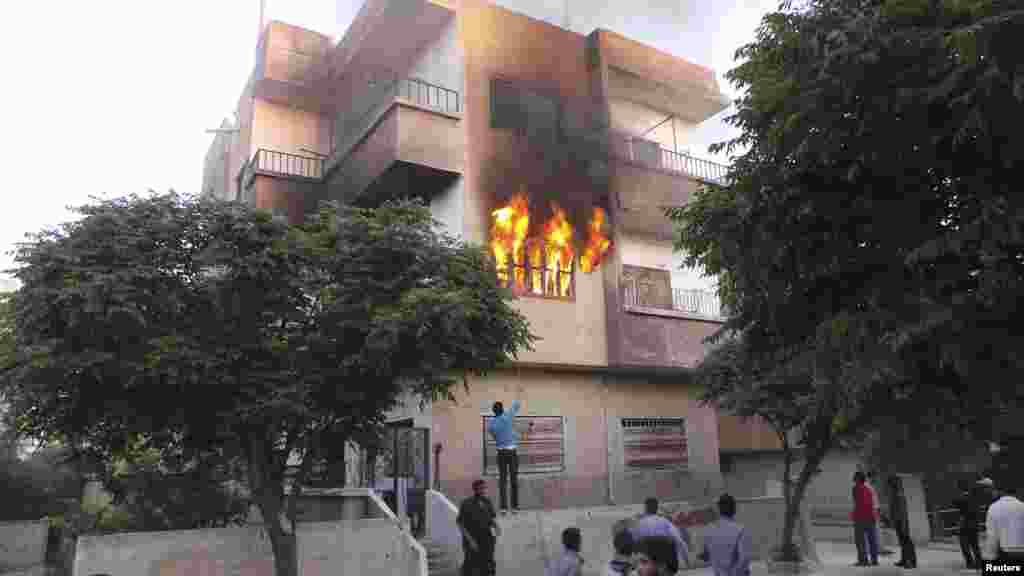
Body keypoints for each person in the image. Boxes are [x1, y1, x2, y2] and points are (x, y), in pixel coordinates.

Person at [699, 494, 751, 576]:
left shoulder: (709, 530)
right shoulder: (741, 530)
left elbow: (705, 555)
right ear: (734, 510)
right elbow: (744, 559)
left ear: (719, 510)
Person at [631, 497, 690, 569]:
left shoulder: (639, 524)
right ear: (657, 508)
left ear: (645, 509)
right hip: (664, 562)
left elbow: (633, 545)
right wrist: (687, 562)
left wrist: (633, 565)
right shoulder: (665, 522)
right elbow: (680, 542)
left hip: (647, 562)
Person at [457, 479, 499, 576]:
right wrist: (470, 540)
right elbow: (460, 524)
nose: (483, 490)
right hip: (472, 539)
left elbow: (491, 518)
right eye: (481, 488)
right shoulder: (467, 503)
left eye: (484, 488)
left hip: (487, 538)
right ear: (475, 489)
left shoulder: (487, 502)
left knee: (488, 563)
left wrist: (496, 527)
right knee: (471, 563)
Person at [488, 400, 521, 514]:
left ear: (493, 411)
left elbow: (494, 436)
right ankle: (515, 507)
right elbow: (516, 405)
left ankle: (503, 508)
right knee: (514, 480)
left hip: (500, 453)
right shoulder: (507, 416)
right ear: (502, 409)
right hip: (511, 452)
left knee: (502, 480)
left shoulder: (491, 423)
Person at [982, 482, 1024, 566]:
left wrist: (989, 557)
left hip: (1004, 552)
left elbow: (992, 535)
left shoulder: (994, 508)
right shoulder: (1022, 506)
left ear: (999, 491)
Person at [887, 475, 917, 569]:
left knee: (906, 541)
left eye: (890, 484)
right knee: (903, 542)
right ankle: (904, 560)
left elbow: (902, 511)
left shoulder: (899, 495)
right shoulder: (895, 494)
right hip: (898, 521)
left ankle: (911, 561)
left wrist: (903, 524)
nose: (889, 487)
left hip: (902, 521)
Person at [852, 471, 880, 566]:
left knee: (860, 540)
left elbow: (858, 503)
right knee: (872, 539)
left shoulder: (856, 489)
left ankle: (863, 560)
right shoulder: (869, 488)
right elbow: (873, 503)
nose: (854, 479)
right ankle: (874, 560)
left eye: (855, 477)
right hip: (870, 516)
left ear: (858, 479)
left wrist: (854, 514)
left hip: (861, 517)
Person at [954, 478, 982, 569]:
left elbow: (955, 504)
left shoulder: (960, 498)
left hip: (964, 524)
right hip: (974, 524)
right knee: (975, 545)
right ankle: (979, 562)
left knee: (964, 545)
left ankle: (970, 563)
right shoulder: (974, 497)